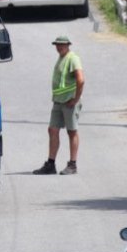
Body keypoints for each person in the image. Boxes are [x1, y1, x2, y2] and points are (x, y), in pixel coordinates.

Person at [33, 35, 84, 175]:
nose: (59, 47)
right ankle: (51, 164)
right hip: (59, 101)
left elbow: (81, 80)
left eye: (62, 44)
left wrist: (75, 99)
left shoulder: (73, 58)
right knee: (52, 130)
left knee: (71, 131)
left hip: (69, 101)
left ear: (68, 45)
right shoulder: (61, 57)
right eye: (57, 44)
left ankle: (72, 165)